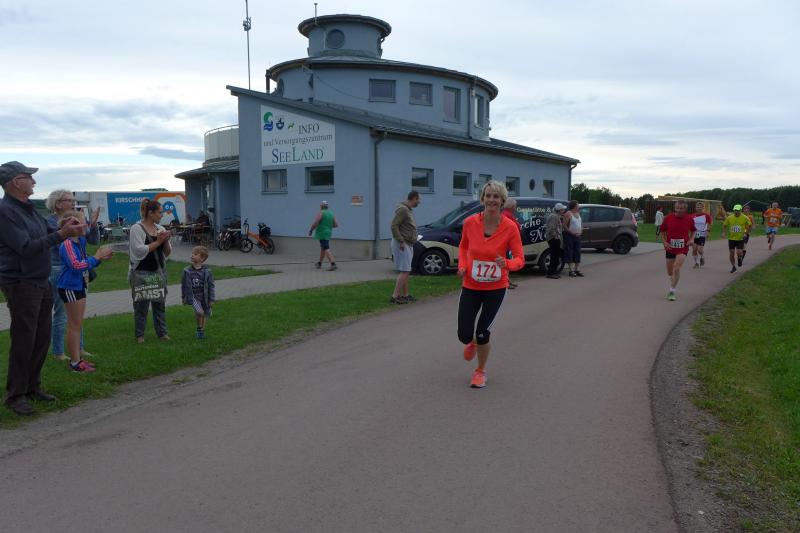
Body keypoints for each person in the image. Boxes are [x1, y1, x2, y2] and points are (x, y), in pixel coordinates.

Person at [0, 161, 85, 416]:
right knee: (24, 339)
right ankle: (15, 396)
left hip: (40, 280)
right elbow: (26, 247)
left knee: (41, 337)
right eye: (29, 177)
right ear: (16, 182)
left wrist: (65, 226)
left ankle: (32, 386)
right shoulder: (5, 211)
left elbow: (49, 229)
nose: (34, 181)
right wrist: (62, 234)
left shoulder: (28, 208)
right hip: (21, 282)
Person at [457, 180, 524, 388]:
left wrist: (507, 264)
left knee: (482, 333)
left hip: (495, 288)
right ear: (483, 199)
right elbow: (463, 247)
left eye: (496, 196)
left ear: (502, 201)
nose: (492, 200)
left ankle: (480, 371)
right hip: (471, 285)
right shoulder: (470, 223)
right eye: (488, 196)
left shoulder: (510, 227)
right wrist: (463, 265)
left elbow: (520, 259)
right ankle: (471, 342)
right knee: (464, 334)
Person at [45, 189, 101, 361]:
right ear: (58, 203)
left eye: (73, 199)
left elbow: (93, 240)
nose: (73, 203)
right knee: (62, 314)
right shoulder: (50, 222)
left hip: (79, 271)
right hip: (60, 270)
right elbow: (62, 244)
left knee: (77, 315)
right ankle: (59, 352)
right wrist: (77, 227)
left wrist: (93, 225)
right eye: (69, 200)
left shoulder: (76, 219)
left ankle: (79, 348)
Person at [57, 211, 113, 372]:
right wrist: (96, 257)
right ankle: (75, 363)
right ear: (71, 226)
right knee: (74, 325)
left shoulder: (80, 241)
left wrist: (99, 259)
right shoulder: (67, 244)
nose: (86, 225)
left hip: (79, 285)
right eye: (82, 222)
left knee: (77, 324)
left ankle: (77, 360)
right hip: (69, 287)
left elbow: (84, 262)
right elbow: (76, 266)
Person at [129, 198, 172, 343]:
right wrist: (158, 241)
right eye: (159, 212)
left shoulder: (161, 229)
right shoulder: (136, 228)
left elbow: (167, 253)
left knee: (159, 304)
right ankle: (140, 336)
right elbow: (139, 251)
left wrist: (165, 241)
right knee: (141, 306)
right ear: (150, 213)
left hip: (158, 272)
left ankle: (162, 333)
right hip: (141, 273)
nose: (162, 215)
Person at [659, 200, 695, 301]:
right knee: (670, 272)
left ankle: (672, 291)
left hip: (683, 247)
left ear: (685, 209)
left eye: (681, 208)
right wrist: (664, 242)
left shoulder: (689, 219)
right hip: (670, 247)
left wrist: (691, 239)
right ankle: (673, 282)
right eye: (677, 208)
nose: (679, 210)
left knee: (676, 268)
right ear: (675, 208)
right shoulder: (668, 218)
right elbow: (662, 231)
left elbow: (694, 230)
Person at [390, 191, 420, 304]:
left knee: (405, 270)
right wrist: (401, 241)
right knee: (405, 270)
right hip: (402, 243)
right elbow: (394, 226)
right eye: (418, 199)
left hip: (408, 243)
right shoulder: (403, 210)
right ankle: (394, 297)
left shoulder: (408, 210)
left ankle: (405, 295)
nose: (419, 202)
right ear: (414, 198)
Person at [181, 245, 216, 339]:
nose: (192, 255)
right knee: (200, 312)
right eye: (192, 253)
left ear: (202, 258)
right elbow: (184, 286)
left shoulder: (207, 271)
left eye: (195, 254)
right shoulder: (186, 271)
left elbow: (211, 286)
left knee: (205, 314)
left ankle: (201, 331)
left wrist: (212, 299)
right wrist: (183, 297)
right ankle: (199, 329)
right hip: (193, 297)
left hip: (204, 296)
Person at [308, 200, 338, 271]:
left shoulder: (321, 213)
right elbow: (335, 225)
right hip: (328, 232)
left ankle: (333, 264)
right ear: (327, 206)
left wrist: (311, 230)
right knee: (323, 248)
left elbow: (316, 222)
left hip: (322, 233)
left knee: (326, 248)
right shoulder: (331, 213)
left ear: (321, 206)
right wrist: (327, 226)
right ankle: (319, 263)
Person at [722, 204, 751, 273]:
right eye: (735, 210)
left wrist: (745, 233)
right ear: (734, 210)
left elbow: (749, 226)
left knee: (739, 252)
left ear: (740, 210)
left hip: (740, 238)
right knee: (731, 253)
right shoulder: (729, 218)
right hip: (731, 238)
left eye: (738, 210)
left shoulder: (745, 218)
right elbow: (724, 225)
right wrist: (723, 232)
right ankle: (733, 267)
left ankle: (739, 258)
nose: (736, 211)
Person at [502, 198, 521, 289]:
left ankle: (507, 281)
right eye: (515, 206)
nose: (516, 208)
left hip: (507, 243)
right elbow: (516, 226)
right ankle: (505, 282)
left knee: (507, 263)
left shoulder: (506, 214)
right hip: (505, 244)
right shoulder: (507, 215)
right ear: (512, 207)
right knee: (506, 264)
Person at [562, 200, 584, 277]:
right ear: (574, 206)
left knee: (577, 252)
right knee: (570, 252)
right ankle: (571, 270)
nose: (579, 206)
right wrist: (571, 233)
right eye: (577, 205)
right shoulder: (568, 213)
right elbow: (564, 225)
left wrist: (581, 231)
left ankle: (577, 269)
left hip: (578, 236)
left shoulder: (578, 213)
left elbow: (581, 224)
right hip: (569, 236)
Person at [544, 203, 566, 279]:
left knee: (555, 256)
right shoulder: (554, 217)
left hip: (554, 238)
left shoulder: (556, 216)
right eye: (562, 210)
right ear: (559, 210)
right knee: (554, 256)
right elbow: (552, 228)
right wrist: (556, 236)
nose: (564, 211)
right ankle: (551, 273)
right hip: (554, 239)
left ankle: (553, 272)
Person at [691, 201, 712, 268]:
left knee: (699, 250)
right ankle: (696, 263)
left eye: (700, 207)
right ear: (695, 208)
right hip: (694, 235)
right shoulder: (692, 216)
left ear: (703, 208)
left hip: (702, 234)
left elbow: (709, 224)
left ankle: (702, 256)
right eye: (698, 207)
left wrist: (708, 231)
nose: (699, 208)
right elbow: (690, 225)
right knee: (694, 249)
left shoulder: (706, 216)